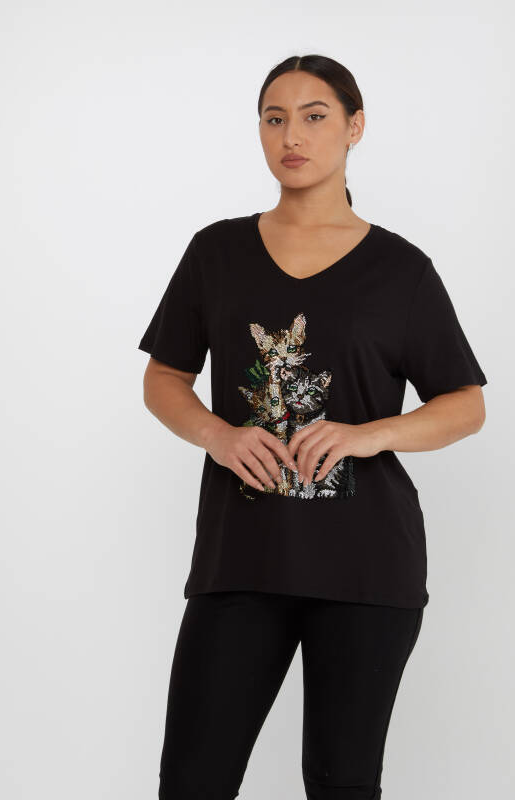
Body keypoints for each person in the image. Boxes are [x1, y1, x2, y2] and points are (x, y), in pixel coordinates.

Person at [138, 54, 487, 800]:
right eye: (274, 118)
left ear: (354, 127)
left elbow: (465, 403)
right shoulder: (216, 252)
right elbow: (163, 379)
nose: (291, 135)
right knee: (193, 780)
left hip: (366, 568)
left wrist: (367, 434)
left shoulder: (401, 269)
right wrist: (218, 436)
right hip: (240, 561)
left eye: (314, 116)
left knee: (341, 785)